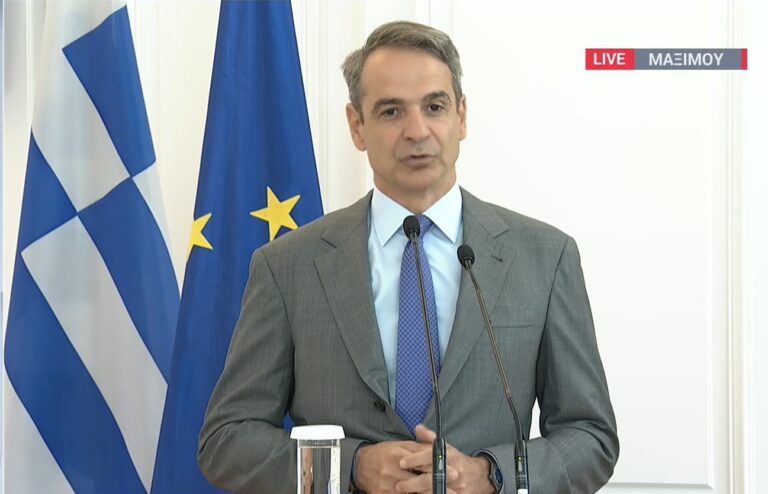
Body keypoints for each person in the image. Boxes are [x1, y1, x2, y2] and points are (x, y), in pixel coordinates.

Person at [198, 20, 619, 494]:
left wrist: (491, 474)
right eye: (391, 111)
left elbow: (591, 437)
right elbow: (226, 440)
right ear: (357, 126)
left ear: (462, 116)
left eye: (434, 107)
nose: (417, 131)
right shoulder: (286, 266)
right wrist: (351, 466)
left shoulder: (544, 257)